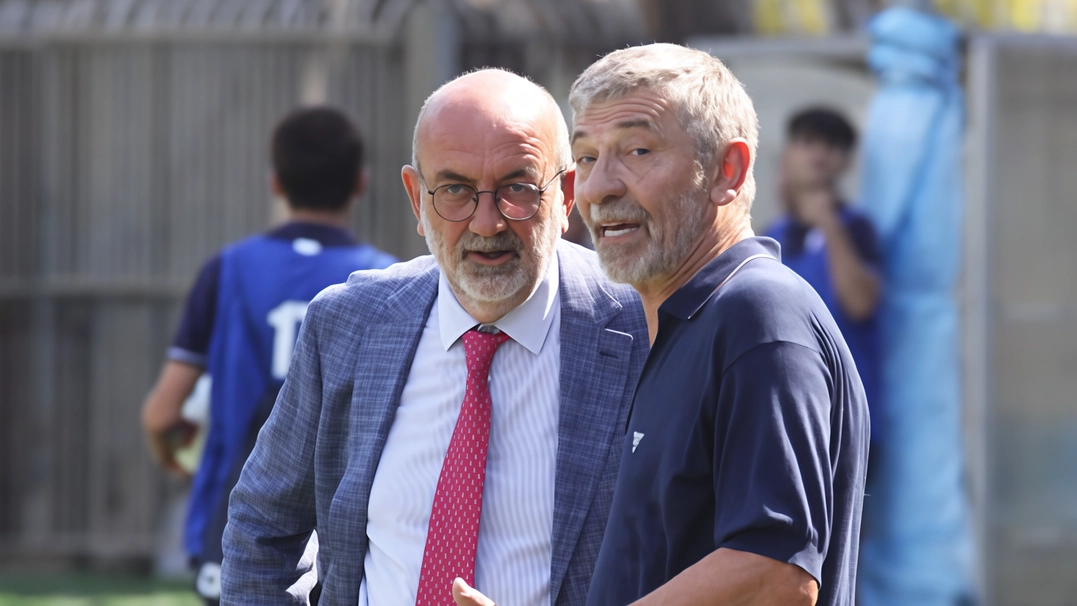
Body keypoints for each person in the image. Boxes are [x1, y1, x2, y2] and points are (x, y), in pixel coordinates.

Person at [452, 43, 869, 606]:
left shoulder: (758, 315)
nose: (599, 187)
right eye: (588, 157)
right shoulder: (681, 322)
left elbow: (776, 575)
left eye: (639, 150)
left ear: (729, 170)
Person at [220, 68, 649, 606]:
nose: (487, 221)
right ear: (416, 198)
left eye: (517, 188)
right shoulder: (348, 324)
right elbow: (264, 523)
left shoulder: (642, 329)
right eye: (455, 190)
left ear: (566, 195)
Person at [141, 105, 396, 605]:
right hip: (352, 530)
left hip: (234, 518)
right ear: (361, 184)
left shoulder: (228, 270)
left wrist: (175, 457)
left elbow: (162, 413)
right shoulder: (389, 282)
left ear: (275, 182)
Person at [764, 107, 884, 460]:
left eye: (832, 146)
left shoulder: (855, 227)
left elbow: (860, 303)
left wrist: (829, 225)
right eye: (807, 143)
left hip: (844, 416)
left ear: (845, 162)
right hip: (785, 413)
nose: (818, 154)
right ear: (788, 154)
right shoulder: (773, 235)